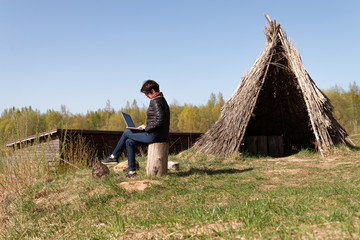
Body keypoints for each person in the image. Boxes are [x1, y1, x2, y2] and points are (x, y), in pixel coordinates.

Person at [101, 80, 170, 178]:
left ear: (153, 91)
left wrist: (147, 129)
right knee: (129, 142)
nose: (146, 96)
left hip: (155, 136)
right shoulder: (161, 100)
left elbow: (160, 120)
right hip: (158, 134)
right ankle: (132, 172)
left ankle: (114, 157)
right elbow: (159, 119)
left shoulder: (155, 101)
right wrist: (146, 126)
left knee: (126, 133)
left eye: (147, 93)